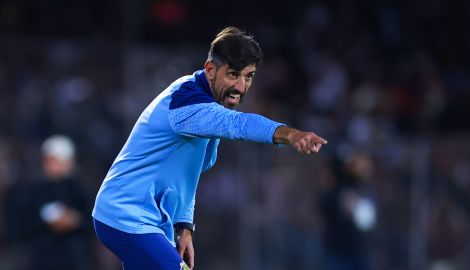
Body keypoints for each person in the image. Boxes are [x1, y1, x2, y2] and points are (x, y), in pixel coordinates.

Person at [92, 26, 327, 270]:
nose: (240, 86)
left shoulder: (204, 99)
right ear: (210, 69)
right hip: (126, 215)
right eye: (233, 74)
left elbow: (186, 174)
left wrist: (185, 225)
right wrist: (290, 133)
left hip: (148, 220)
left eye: (248, 76)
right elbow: (238, 124)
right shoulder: (188, 105)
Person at [4, 135, 94, 270]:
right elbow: (18, 224)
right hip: (41, 258)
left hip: (73, 259)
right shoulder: (31, 189)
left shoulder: (79, 189)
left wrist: (75, 220)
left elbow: (91, 222)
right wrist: (47, 223)